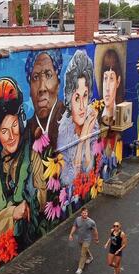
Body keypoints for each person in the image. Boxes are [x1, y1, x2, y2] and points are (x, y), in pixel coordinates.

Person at [0, 77, 47, 249]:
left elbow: (41, 198)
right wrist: (12, 214)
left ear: (20, 122)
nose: (11, 136)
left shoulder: (32, 157)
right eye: (4, 131)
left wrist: (30, 204)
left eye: (14, 126)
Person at [57, 50, 99, 186]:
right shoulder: (64, 132)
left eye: (85, 96)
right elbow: (67, 179)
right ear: (69, 100)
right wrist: (81, 142)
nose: (82, 106)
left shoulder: (91, 118)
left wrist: (86, 139)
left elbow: (88, 168)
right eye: (76, 98)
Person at [25, 50, 65, 150]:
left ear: (58, 84)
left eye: (48, 75)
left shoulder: (69, 121)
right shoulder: (25, 133)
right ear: (30, 88)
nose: (42, 88)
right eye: (35, 77)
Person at [69, 207, 99, 274]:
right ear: (81, 213)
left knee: (83, 254)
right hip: (80, 239)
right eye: (83, 213)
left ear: (87, 213)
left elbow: (95, 231)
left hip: (87, 240)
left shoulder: (91, 222)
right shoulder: (77, 219)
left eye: (86, 213)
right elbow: (74, 226)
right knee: (85, 250)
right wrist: (71, 234)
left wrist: (96, 239)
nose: (85, 214)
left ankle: (80, 269)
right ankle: (90, 257)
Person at [100, 49, 124, 127]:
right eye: (105, 78)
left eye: (111, 79)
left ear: (118, 81)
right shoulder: (96, 114)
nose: (107, 88)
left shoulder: (122, 113)